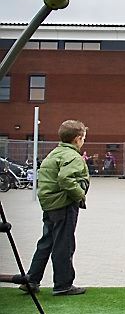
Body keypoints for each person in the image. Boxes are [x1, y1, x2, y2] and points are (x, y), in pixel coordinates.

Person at [20, 120, 91, 296]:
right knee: (64, 245)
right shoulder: (72, 156)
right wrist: (79, 195)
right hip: (64, 205)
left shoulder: (54, 153)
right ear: (77, 139)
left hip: (50, 205)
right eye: (83, 138)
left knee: (46, 242)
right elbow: (66, 179)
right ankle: (63, 284)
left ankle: (31, 280)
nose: (83, 141)